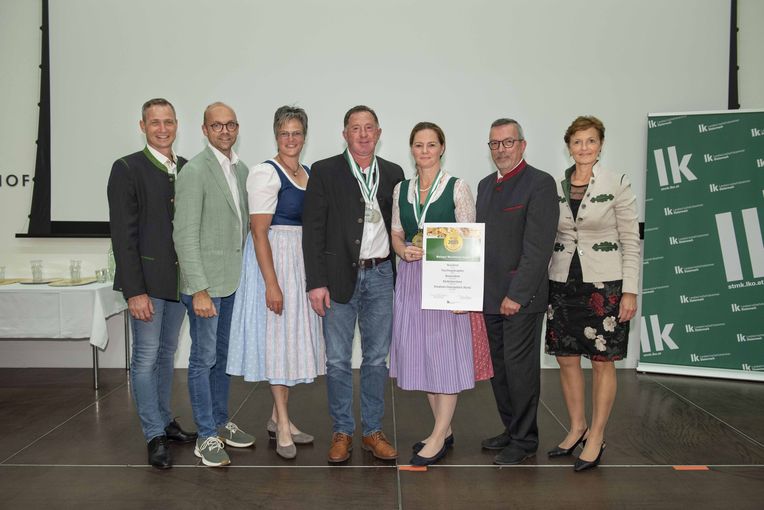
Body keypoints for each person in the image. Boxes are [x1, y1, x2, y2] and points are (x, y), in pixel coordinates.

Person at [302, 105, 404, 463]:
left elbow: (401, 228)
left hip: (380, 277)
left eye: (369, 128)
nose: (362, 134)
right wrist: (316, 283)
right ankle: (343, 431)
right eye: (355, 128)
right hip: (338, 278)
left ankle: (372, 431)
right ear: (344, 134)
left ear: (378, 133)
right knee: (338, 361)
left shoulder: (393, 173)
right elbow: (313, 231)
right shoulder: (325, 171)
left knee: (377, 359)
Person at [227, 106, 325, 460]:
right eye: (285, 133)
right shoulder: (264, 173)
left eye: (297, 132)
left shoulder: (307, 173)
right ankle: (283, 423)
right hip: (275, 260)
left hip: (298, 262)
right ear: (275, 135)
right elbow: (258, 230)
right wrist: (272, 283)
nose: (291, 139)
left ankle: (276, 416)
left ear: (304, 135)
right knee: (278, 343)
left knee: (291, 341)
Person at [545, 116, 639, 472]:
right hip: (563, 282)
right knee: (566, 357)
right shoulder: (556, 185)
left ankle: (597, 436)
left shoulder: (617, 183)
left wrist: (629, 291)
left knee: (602, 362)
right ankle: (577, 427)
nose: (584, 148)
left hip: (605, 285)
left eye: (591, 141)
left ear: (601, 145)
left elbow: (630, 240)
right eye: (577, 142)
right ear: (568, 146)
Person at [107, 98, 197, 469]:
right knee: (144, 359)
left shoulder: (188, 168)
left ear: (177, 125)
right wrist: (134, 291)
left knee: (165, 355)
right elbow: (123, 237)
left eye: (169, 122)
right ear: (142, 126)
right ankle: (153, 435)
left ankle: (164, 420)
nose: (163, 128)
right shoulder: (127, 168)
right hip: (146, 284)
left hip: (178, 283)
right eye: (155, 122)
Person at [389, 122, 483, 466]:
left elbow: (469, 239)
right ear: (411, 149)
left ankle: (439, 435)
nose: (424, 151)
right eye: (418, 145)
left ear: (442, 148)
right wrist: (402, 251)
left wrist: (465, 295)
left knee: (446, 357)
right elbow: (397, 233)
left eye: (431, 145)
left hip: (448, 280)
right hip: (413, 279)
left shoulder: (457, 188)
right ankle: (442, 429)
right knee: (426, 355)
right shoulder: (403, 189)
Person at [173, 102, 254, 467]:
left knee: (222, 359)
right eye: (217, 125)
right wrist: (198, 288)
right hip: (206, 287)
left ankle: (221, 422)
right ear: (204, 130)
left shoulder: (240, 170)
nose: (225, 131)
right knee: (202, 359)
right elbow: (184, 235)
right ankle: (205, 434)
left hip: (232, 283)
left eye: (230, 124)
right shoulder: (194, 171)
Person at [476, 118, 559, 465]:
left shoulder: (539, 184)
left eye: (508, 142)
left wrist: (518, 294)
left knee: (521, 369)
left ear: (522, 145)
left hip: (520, 299)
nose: (501, 150)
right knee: (499, 369)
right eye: (495, 144)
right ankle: (511, 429)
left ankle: (525, 441)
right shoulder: (483, 185)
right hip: (488, 296)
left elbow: (539, 248)